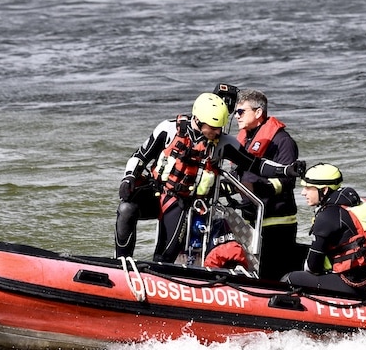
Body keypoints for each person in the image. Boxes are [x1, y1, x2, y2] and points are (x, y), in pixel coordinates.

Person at [115, 92, 304, 264]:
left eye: (219, 128)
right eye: (212, 128)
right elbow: (140, 156)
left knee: (163, 258)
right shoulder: (168, 129)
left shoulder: (224, 143)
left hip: (180, 204)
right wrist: (128, 178)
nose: (217, 132)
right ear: (197, 120)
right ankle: (121, 263)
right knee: (126, 209)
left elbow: (256, 164)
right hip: (156, 192)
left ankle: (158, 277)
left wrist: (287, 170)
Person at [282, 164, 366, 298]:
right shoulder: (361, 204)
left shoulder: (327, 215)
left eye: (308, 188)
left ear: (324, 190)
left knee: (290, 278)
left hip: (355, 287)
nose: (303, 193)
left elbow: (312, 268)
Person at [232, 89, 302, 280]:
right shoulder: (244, 139)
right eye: (236, 112)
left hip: (277, 223)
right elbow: (237, 173)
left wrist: (255, 189)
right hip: (249, 220)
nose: (236, 116)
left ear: (258, 112)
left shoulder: (282, 141)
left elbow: (288, 181)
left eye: (241, 111)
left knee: (272, 276)